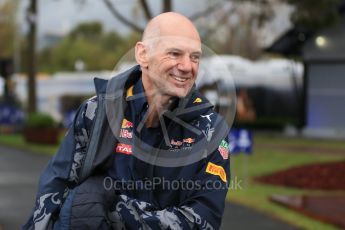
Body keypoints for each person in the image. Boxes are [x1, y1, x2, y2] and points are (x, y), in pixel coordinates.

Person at [23, 12, 230, 230]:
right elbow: (51, 199)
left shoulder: (211, 129)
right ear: (142, 54)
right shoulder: (96, 111)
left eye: (195, 57)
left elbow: (204, 221)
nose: (187, 66)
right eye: (175, 53)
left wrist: (114, 210)